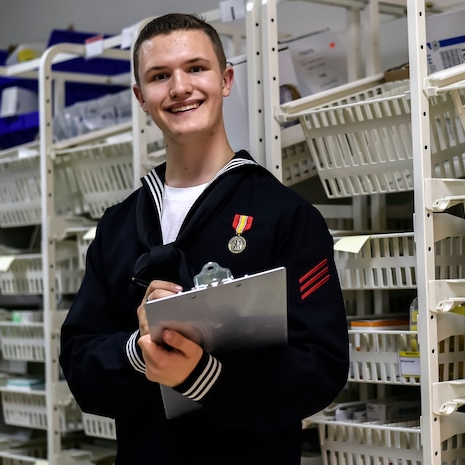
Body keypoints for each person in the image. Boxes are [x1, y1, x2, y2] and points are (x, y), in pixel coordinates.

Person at [59, 12, 349, 465]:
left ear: (226, 79)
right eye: (159, 76)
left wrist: (202, 375)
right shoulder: (118, 228)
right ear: (140, 96)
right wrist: (138, 351)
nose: (179, 87)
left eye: (196, 68)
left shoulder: (287, 217)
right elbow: (79, 365)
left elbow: (322, 366)